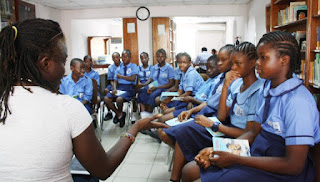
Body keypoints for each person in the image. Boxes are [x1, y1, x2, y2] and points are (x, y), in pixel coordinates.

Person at [0, 18, 168, 181]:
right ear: (46, 63)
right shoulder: (67, 108)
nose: (65, 70)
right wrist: (135, 128)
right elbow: (104, 168)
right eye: (64, 61)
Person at [183, 31, 320, 182]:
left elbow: (294, 166)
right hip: (260, 153)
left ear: (284, 60)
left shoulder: (297, 101)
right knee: (190, 170)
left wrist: (236, 159)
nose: (257, 63)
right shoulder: (267, 89)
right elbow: (254, 131)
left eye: (263, 58)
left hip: (282, 170)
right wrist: (221, 149)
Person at [165, 42, 264, 181]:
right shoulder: (236, 84)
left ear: (252, 63)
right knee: (184, 130)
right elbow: (222, 115)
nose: (233, 68)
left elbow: (248, 133)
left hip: (240, 137)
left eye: (237, 64)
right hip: (227, 128)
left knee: (190, 169)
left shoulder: (258, 91)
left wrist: (213, 125)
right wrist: (225, 87)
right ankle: (173, 179)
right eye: (232, 63)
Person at [158, 44, 235, 148]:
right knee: (165, 116)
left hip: (208, 115)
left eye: (223, 60)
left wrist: (191, 103)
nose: (219, 63)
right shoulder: (217, 79)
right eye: (179, 62)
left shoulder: (229, 82)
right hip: (196, 107)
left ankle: (180, 146)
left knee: (172, 129)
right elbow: (207, 102)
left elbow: (218, 113)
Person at [157, 55, 220, 124]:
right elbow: (180, 91)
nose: (208, 70)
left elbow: (205, 102)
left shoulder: (192, 74)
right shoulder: (208, 80)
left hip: (193, 102)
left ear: (190, 63)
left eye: (184, 62)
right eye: (180, 62)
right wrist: (171, 98)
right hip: (191, 100)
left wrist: (175, 99)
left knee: (165, 115)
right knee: (164, 110)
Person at [105, 49, 138, 128]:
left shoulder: (134, 66)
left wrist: (121, 76)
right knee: (106, 98)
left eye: (126, 57)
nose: (124, 58)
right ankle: (119, 114)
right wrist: (114, 89)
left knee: (119, 99)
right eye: (123, 57)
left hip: (129, 88)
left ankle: (119, 114)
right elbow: (115, 80)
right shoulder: (119, 68)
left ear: (130, 57)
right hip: (119, 87)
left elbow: (133, 78)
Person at [139, 48, 175, 118]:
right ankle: (144, 114)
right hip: (155, 86)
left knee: (153, 95)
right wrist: (149, 87)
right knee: (142, 91)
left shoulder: (169, 68)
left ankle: (149, 115)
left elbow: (171, 84)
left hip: (164, 88)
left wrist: (156, 88)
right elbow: (152, 79)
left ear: (165, 57)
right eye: (158, 57)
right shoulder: (154, 67)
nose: (160, 58)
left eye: (162, 56)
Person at [104, 52, 122, 121]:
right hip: (112, 84)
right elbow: (111, 80)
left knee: (119, 96)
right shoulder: (110, 67)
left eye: (117, 57)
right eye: (114, 58)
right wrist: (114, 86)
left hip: (121, 84)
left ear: (120, 58)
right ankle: (111, 112)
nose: (116, 59)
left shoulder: (123, 66)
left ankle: (119, 112)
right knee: (106, 91)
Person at [136, 52, 153, 119]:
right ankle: (145, 118)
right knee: (142, 91)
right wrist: (139, 83)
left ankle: (145, 117)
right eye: (142, 58)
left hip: (150, 84)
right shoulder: (138, 68)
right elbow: (137, 78)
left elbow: (151, 78)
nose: (144, 60)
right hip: (141, 85)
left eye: (145, 58)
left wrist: (144, 84)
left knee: (146, 91)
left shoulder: (152, 68)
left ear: (148, 58)